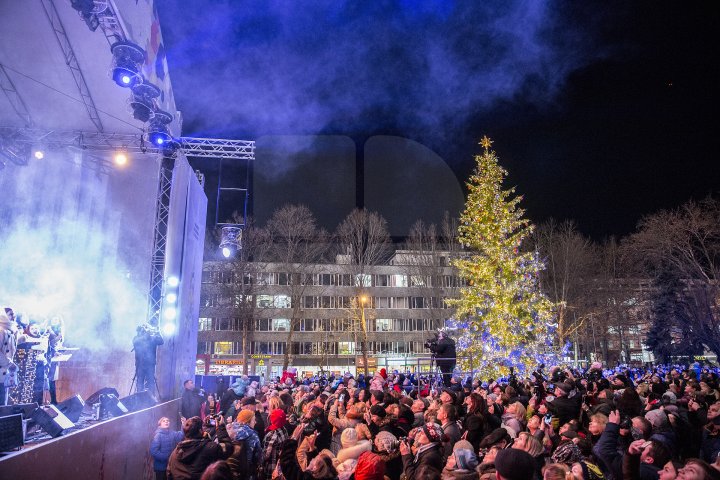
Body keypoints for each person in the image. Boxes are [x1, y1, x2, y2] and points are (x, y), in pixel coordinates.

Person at [166, 416, 232, 480]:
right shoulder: (209, 447)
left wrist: (205, 435)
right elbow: (228, 448)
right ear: (200, 431)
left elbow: (169, 474)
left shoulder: (175, 453)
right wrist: (221, 428)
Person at [133, 323, 164, 396]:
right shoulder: (136, 338)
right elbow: (136, 341)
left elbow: (161, 341)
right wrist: (146, 333)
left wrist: (157, 332)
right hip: (140, 364)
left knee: (150, 381)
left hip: (150, 364)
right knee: (140, 382)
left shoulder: (152, 338)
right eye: (144, 329)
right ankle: (139, 397)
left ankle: (151, 397)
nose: (146, 330)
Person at [0, 310, 17, 406]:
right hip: (2, 372)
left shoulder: (10, 330)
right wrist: (9, 363)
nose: (13, 316)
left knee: (3, 403)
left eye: (14, 314)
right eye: (10, 314)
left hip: (4, 374)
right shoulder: (2, 330)